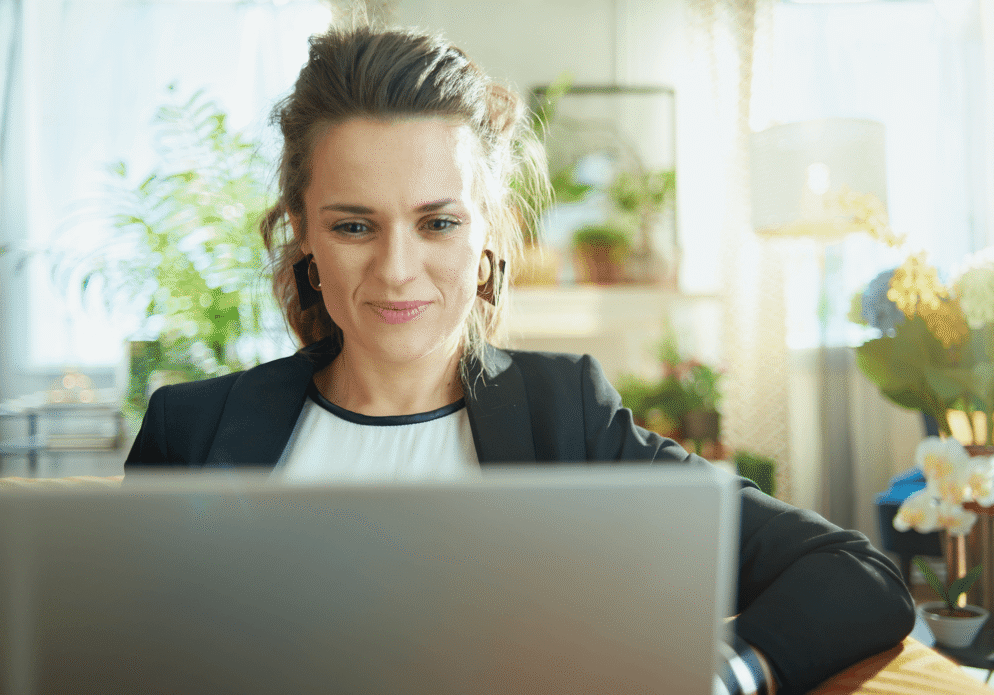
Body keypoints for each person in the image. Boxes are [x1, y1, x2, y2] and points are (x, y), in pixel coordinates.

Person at [125, 22, 916, 695]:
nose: (398, 270)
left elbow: (856, 576)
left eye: (437, 223)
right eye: (355, 226)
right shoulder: (191, 430)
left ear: (486, 237)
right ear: (302, 232)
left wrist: (713, 675)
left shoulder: (566, 416)